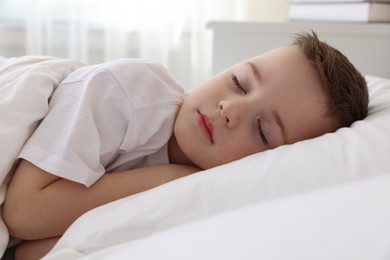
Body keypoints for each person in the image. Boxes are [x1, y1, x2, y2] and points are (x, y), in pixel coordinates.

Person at [3, 31, 368, 259]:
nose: (230, 109)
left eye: (262, 130)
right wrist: (171, 177)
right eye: (239, 82)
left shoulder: (202, 203)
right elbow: (23, 212)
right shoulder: (127, 90)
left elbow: (28, 250)